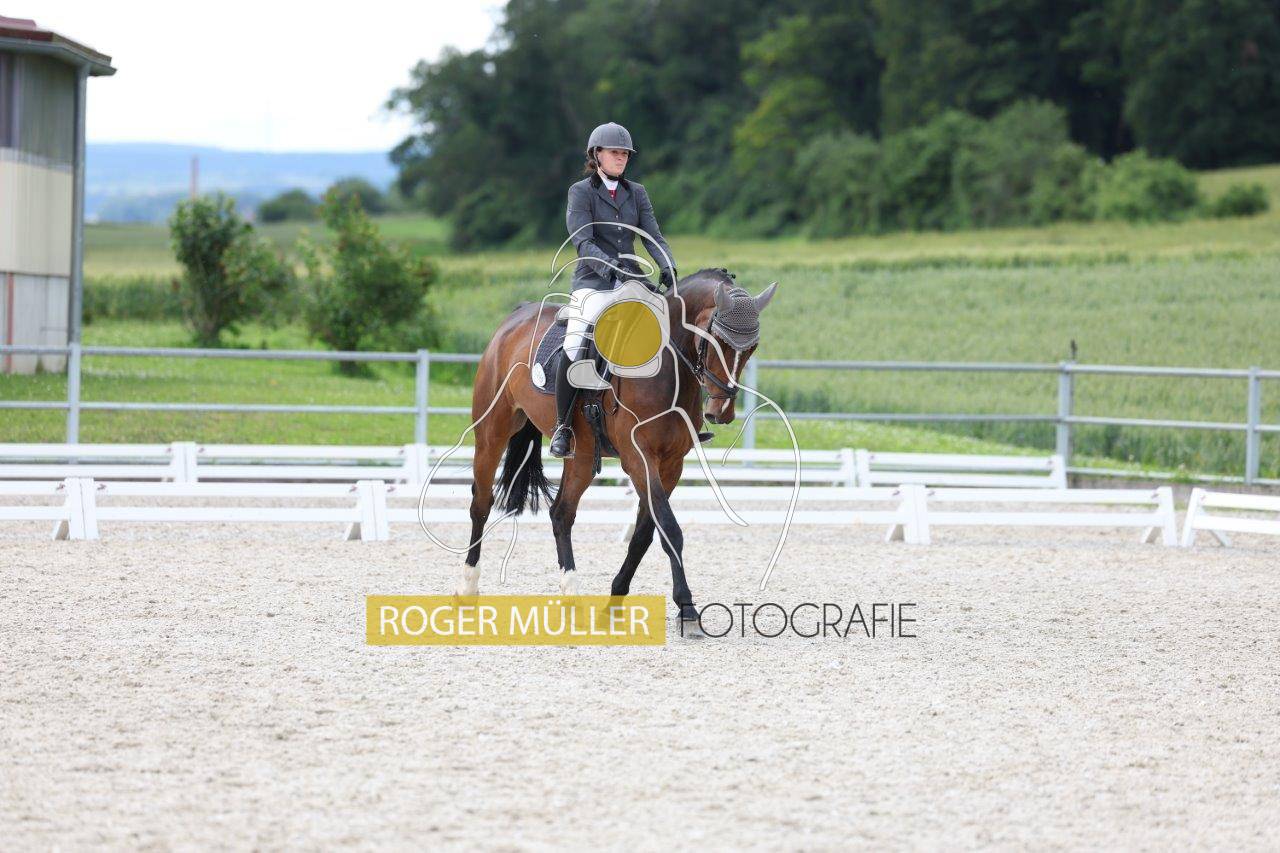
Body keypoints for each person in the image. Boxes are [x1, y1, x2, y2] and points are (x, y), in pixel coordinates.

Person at [550, 121, 678, 459]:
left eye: (625, 154)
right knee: (576, 338)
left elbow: (653, 235)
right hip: (594, 282)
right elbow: (583, 241)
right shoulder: (580, 192)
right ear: (597, 155)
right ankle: (563, 426)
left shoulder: (637, 192)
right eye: (614, 152)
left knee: (672, 330)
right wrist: (612, 270)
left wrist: (667, 264)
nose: (621, 158)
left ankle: (677, 418)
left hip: (633, 280)